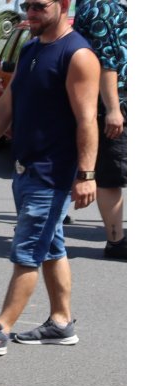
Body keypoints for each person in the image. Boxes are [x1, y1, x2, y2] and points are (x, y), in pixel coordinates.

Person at [0, 0, 98, 355]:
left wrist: (86, 174)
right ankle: (61, 322)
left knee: (27, 250)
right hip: (25, 168)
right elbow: (7, 103)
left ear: (63, 5)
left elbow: (87, 120)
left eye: (38, 6)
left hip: (53, 175)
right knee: (51, 246)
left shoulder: (78, 55)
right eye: (26, 5)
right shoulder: (32, 48)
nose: (29, 13)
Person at [72, 0, 126, 260]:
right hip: (113, 107)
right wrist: (113, 109)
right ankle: (116, 241)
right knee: (111, 177)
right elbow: (106, 63)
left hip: (112, 106)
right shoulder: (103, 9)